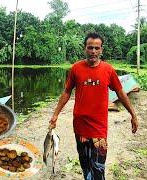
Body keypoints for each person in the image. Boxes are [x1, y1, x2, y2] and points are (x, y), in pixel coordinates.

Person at [49, 32, 138, 180]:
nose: (93, 51)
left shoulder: (108, 70)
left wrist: (133, 115)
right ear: (85, 48)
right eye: (90, 47)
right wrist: (55, 114)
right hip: (80, 127)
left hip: (99, 128)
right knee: (85, 166)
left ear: (101, 50)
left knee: (98, 168)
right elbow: (66, 93)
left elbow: (121, 93)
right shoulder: (76, 69)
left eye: (97, 48)